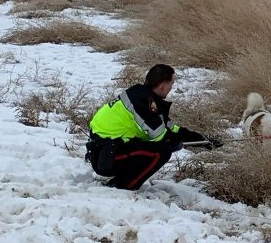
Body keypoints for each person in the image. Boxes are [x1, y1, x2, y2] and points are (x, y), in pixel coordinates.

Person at [86, 64, 221, 190]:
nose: (171, 88)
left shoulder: (144, 96)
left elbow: (171, 128)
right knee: (162, 151)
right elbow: (161, 136)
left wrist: (202, 140)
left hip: (109, 151)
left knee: (164, 145)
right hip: (105, 157)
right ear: (163, 86)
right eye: (171, 84)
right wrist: (176, 142)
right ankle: (121, 187)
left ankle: (122, 181)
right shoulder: (142, 102)